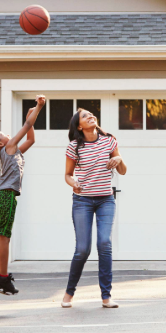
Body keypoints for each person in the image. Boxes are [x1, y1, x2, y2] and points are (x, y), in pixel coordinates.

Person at [0, 95, 45, 295]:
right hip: (4, 196)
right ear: (0, 143)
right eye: (0, 134)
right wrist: (37, 108)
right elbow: (27, 124)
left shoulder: (14, 151)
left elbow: (31, 138)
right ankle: (3, 278)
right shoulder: (10, 147)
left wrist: (31, 116)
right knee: (4, 238)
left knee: (0, 237)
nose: (5, 134)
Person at [61, 108, 127, 309]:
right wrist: (73, 183)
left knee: (104, 244)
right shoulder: (74, 146)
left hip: (106, 199)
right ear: (79, 126)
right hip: (82, 201)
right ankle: (69, 292)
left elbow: (122, 171)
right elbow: (67, 175)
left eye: (91, 114)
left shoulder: (109, 141)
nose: (90, 116)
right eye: (85, 116)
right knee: (82, 249)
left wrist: (119, 160)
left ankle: (106, 297)